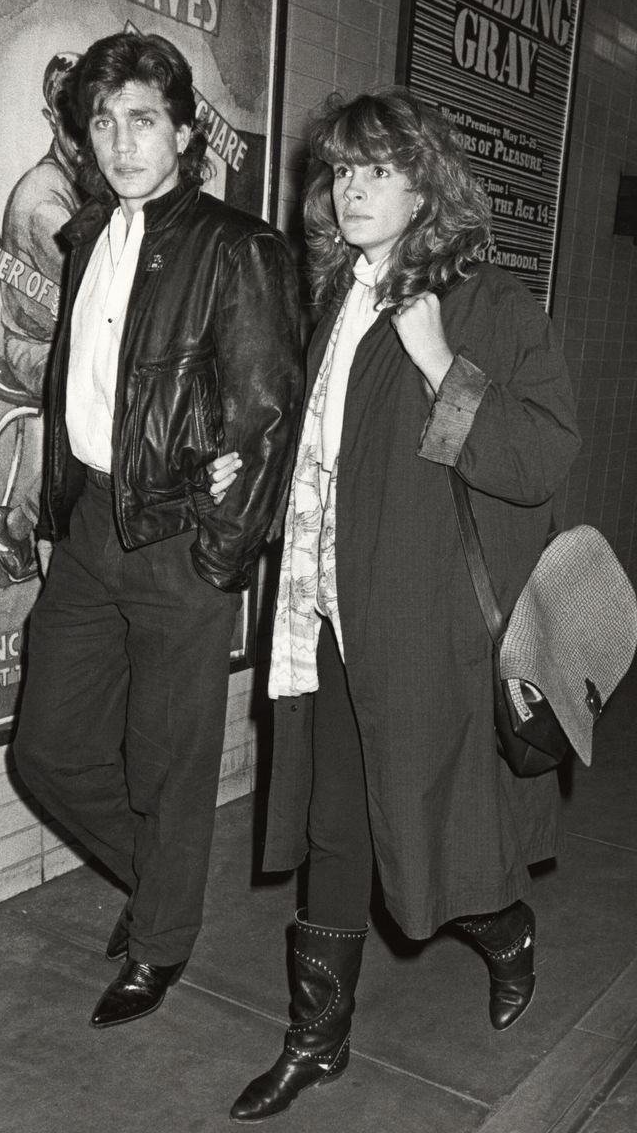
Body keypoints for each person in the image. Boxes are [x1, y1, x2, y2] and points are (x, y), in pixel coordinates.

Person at [208, 87, 580, 1122]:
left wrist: (438, 362)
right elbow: (332, 452)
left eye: (378, 168)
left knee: (432, 835)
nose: (353, 188)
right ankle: (315, 1040)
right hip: (329, 622)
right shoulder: (338, 295)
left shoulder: (490, 306)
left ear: (429, 184)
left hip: (428, 633)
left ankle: (505, 930)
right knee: (340, 830)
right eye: (342, 170)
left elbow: (542, 456)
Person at [12, 32, 302, 1030]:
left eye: (143, 119)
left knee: (168, 757)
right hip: (97, 518)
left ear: (183, 129)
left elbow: (266, 421)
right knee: (46, 745)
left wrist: (216, 553)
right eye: (104, 122)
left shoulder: (238, 247)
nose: (123, 140)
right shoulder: (91, 232)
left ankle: (162, 943)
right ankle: (162, 882)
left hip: (182, 535)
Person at [0, 52, 84, 583]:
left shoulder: (72, 182)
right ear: (52, 120)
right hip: (34, 349)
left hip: (55, 339)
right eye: (74, 119)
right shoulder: (46, 202)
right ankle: (21, 527)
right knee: (97, 396)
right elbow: (92, 301)